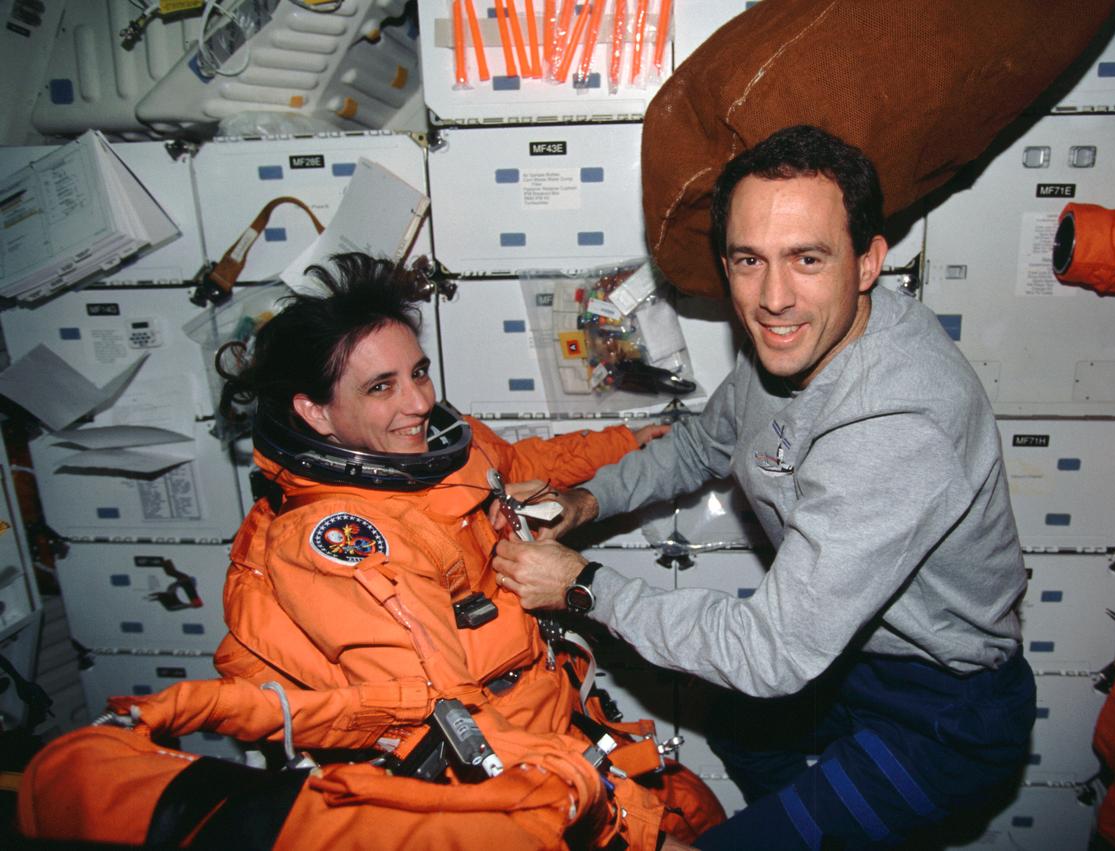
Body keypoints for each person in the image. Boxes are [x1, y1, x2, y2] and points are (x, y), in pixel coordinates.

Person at [492, 125, 1036, 849]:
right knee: (743, 727)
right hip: (851, 663)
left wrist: (583, 585)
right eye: (750, 261)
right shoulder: (798, 341)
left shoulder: (900, 421)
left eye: (807, 258)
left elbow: (769, 653)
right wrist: (587, 502)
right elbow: (698, 444)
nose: (774, 298)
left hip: (944, 709)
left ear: (869, 260)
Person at [212, 252, 724, 847]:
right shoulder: (338, 545)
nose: (419, 402)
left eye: (419, 372)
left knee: (696, 809)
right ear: (315, 412)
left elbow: (517, 464)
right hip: (498, 779)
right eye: (382, 387)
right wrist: (619, 833)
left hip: (551, 712)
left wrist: (625, 442)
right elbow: (448, 724)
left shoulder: (435, 447)